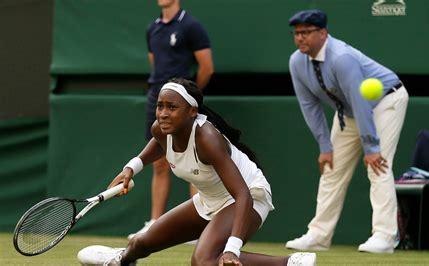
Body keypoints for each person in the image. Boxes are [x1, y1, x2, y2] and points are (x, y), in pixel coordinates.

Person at [77, 78, 317, 266]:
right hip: (209, 200)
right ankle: (120, 261)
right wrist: (130, 169)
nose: (163, 113)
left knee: (203, 261)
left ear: (192, 111)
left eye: (172, 107)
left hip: (248, 198)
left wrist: (232, 249)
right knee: (141, 242)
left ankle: (291, 263)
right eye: (160, 106)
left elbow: (242, 194)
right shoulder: (162, 128)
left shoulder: (207, 138)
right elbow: (156, 146)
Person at [285, 9, 409, 254]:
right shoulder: (296, 62)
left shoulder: (342, 57)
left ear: (323, 33)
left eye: (306, 33)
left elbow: (360, 100)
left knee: (378, 166)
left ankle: (384, 237)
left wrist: (371, 147)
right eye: (297, 33)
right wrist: (324, 147)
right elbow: (309, 106)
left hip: (386, 101)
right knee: (331, 169)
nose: (300, 38)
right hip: (350, 112)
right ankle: (318, 236)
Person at [129, 0, 214, 240]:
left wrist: (189, 99)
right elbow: (153, 61)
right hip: (156, 97)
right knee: (159, 163)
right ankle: (154, 223)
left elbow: (207, 67)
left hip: (183, 103)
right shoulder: (152, 29)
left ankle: (200, 226)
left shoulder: (191, 26)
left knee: (195, 162)